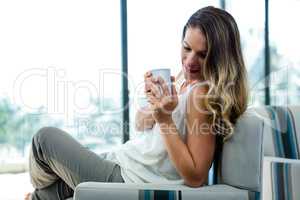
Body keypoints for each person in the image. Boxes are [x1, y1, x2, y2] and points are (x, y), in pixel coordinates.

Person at [25, 6, 249, 200]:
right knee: (52, 190)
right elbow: (141, 126)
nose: (190, 61)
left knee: (43, 139)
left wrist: (164, 119)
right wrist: (153, 103)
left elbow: (196, 176)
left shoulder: (202, 92)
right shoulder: (183, 79)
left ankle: (38, 189)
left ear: (220, 57)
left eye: (203, 54)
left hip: (128, 178)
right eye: (187, 48)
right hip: (126, 163)